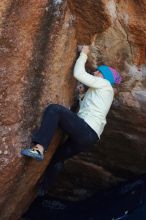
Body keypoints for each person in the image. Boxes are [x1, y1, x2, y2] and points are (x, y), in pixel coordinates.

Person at [21, 45, 121, 195]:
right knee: (58, 157)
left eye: (97, 71)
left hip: (86, 129)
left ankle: (39, 148)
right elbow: (89, 108)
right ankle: (43, 189)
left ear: (103, 76)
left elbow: (78, 73)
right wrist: (81, 96)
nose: (94, 72)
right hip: (89, 137)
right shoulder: (104, 90)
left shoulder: (104, 84)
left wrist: (84, 54)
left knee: (54, 110)